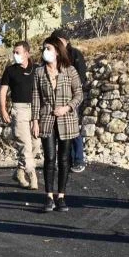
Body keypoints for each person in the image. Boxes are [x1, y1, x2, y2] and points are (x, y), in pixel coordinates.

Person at [31, 37, 83, 213]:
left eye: (49, 48)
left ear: (58, 51)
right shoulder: (39, 72)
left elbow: (79, 94)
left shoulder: (70, 70)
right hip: (46, 119)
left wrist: (67, 107)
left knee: (64, 158)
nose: (45, 51)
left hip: (66, 120)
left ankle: (61, 196)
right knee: (50, 158)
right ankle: (49, 196)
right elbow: (36, 98)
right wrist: (34, 121)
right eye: (44, 48)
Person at [0, 41, 40, 190]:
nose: (15, 55)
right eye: (14, 52)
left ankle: (20, 171)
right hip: (19, 110)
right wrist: (3, 109)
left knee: (36, 144)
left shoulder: (37, 69)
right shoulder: (10, 70)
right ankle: (33, 176)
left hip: (35, 109)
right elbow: (3, 91)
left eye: (18, 52)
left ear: (27, 54)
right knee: (25, 145)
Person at [50, 29, 88, 173]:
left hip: (71, 99)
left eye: (58, 41)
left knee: (73, 129)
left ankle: (78, 160)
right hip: (56, 100)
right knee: (59, 131)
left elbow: (81, 78)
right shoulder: (53, 56)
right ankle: (65, 160)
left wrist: (72, 98)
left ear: (66, 41)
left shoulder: (75, 54)